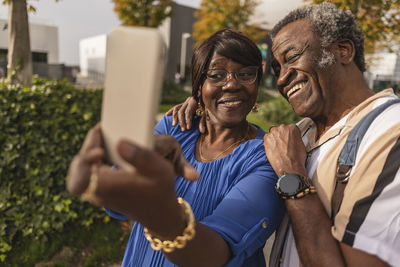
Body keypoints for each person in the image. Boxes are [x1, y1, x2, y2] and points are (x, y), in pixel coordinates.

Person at [170, 3, 400, 266]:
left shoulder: (388, 134)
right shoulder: (302, 134)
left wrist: (293, 177)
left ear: (343, 51)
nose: (281, 79)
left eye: (292, 57)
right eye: (277, 68)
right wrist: (203, 106)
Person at [67, 29, 285, 267]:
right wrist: (110, 173)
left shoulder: (265, 157)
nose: (232, 84)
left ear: (257, 83)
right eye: (216, 75)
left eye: (245, 74)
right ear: (198, 86)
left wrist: (158, 207)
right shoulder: (175, 128)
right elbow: (118, 208)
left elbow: (213, 255)